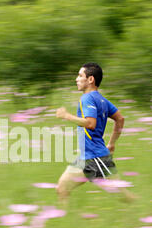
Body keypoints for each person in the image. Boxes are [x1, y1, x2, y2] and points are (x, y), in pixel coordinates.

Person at [55, 62, 132, 208]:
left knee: (123, 196)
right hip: (87, 156)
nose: (76, 79)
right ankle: (63, 218)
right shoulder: (102, 100)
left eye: (80, 75)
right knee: (62, 188)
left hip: (95, 158)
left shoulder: (87, 98)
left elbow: (90, 124)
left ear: (90, 79)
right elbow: (120, 119)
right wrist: (112, 143)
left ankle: (144, 208)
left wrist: (67, 116)